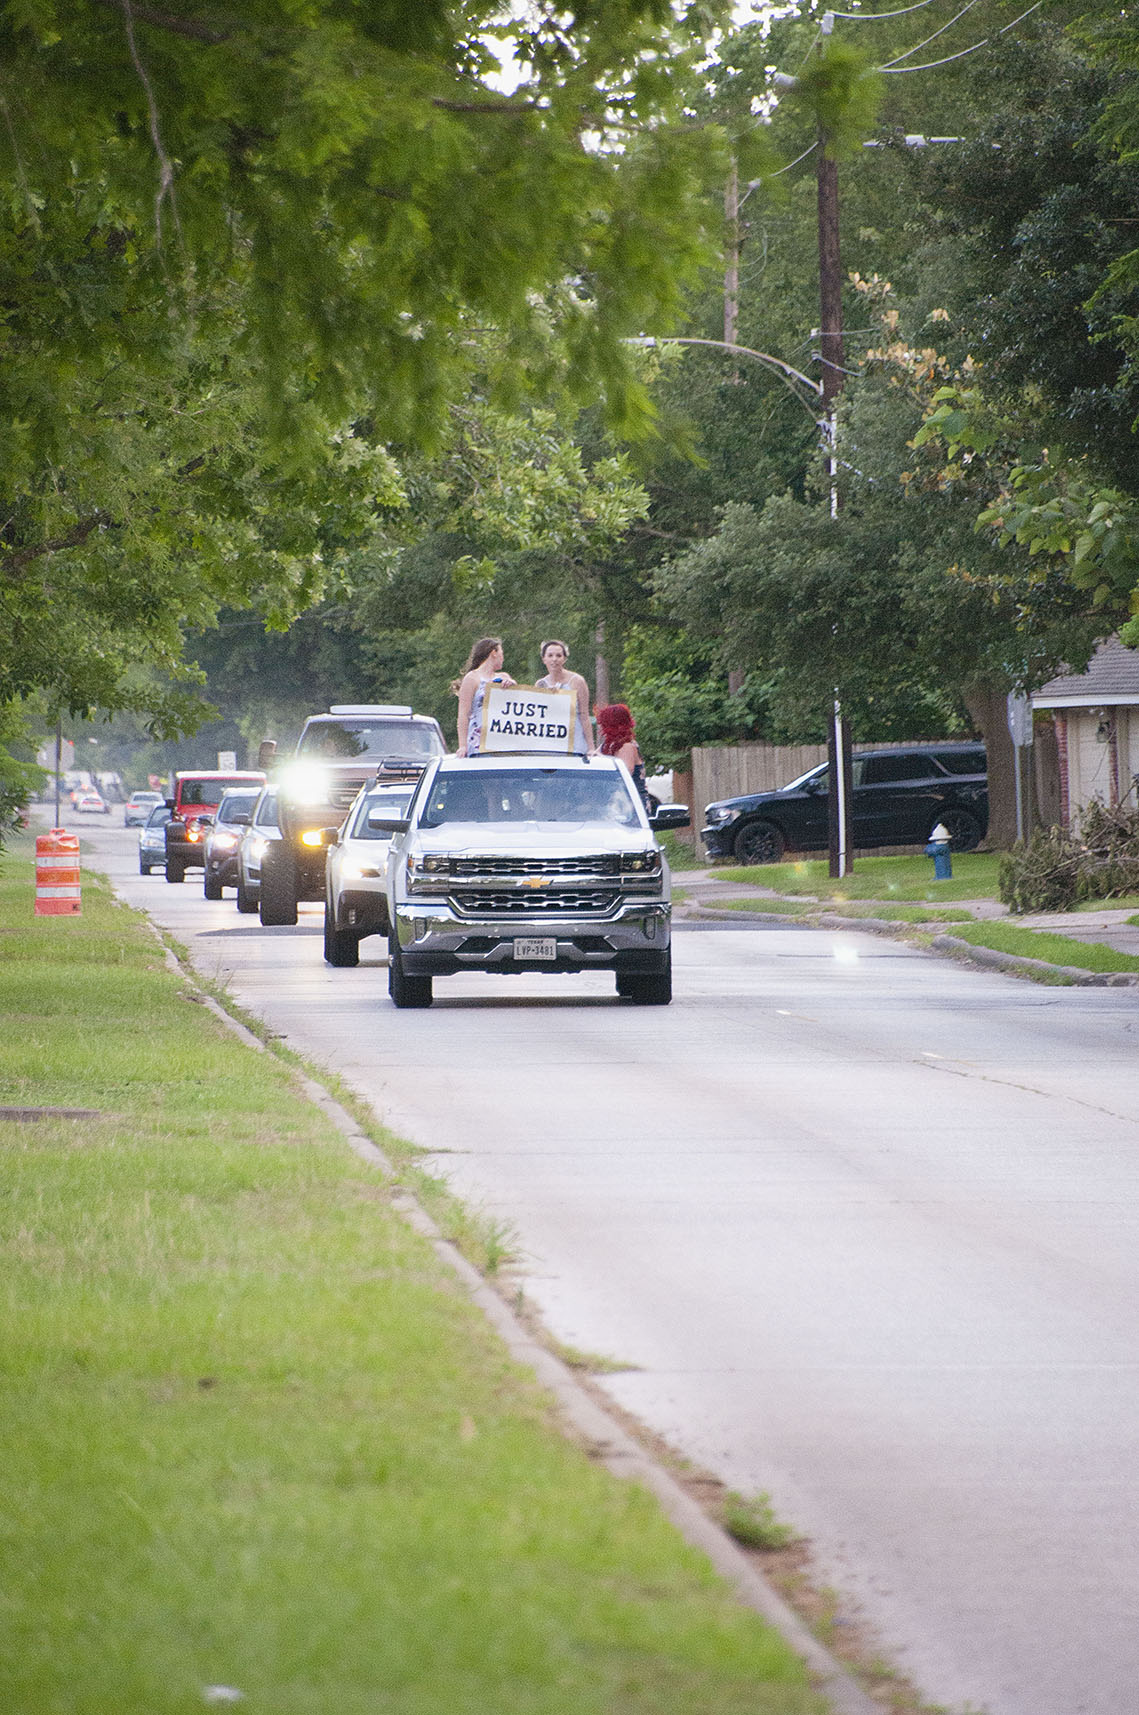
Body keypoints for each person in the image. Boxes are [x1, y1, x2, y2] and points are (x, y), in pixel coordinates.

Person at [454, 637, 516, 757]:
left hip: (503, 741)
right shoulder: (472, 678)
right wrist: (462, 746)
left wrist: (512, 685)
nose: (503, 659)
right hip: (480, 743)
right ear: (494, 653)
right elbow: (463, 714)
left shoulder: (504, 676)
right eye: (501, 654)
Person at [534, 639, 593, 756]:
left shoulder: (577, 681)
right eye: (550, 655)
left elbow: (584, 715)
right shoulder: (540, 684)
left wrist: (591, 747)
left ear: (564, 659)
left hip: (574, 745)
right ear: (544, 659)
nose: (554, 659)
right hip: (549, 745)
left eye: (558, 655)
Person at [596, 702, 652, 816]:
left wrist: (600, 758)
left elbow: (625, 772)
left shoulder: (627, 746)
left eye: (604, 723)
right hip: (619, 804)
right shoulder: (608, 745)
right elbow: (592, 757)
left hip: (632, 805)